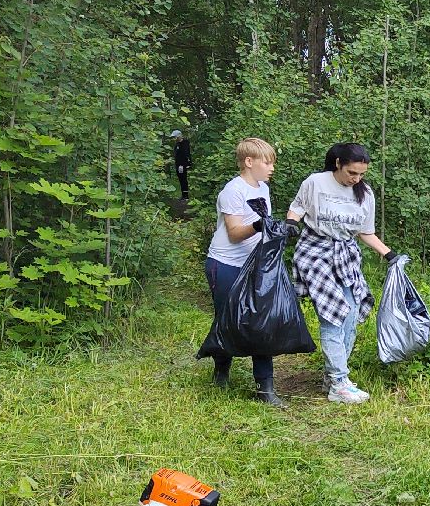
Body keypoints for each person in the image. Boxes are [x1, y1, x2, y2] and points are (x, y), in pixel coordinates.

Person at [287, 143, 398, 403]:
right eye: (352, 173)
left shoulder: (365, 194)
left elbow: (365, 232)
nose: (356, 179)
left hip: (346, 255)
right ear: (338, 163)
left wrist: (389, 254)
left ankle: (333, 376)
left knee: (350, 314)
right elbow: (297, 208)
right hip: (315, 252)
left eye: (361, 174)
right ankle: (339, 382)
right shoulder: (316, 182)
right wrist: (291, 222)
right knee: (333, 317)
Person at [205, 138, 285, 407]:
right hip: (225, 264)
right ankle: (221, 371)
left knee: (261, 321)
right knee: (227, 318)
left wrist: (278, 231)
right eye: (267, 162)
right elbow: (235, 233)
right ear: (249, 162)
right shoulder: (233, 191)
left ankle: (265, 387)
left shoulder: (263, 188)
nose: (272, 168)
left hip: (255, 264)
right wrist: (260, 226)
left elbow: (264, 228)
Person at [171, 130, 193, 199]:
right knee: (181, 179)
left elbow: (186, 154)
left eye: (176, 137)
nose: (175, 138)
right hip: (178, 165)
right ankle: (183, 194)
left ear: (179, 136)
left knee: (183, 179)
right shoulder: (177, 144)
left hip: (183, 165)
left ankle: (185, 195)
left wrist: (187, 164)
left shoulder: (185, 143)